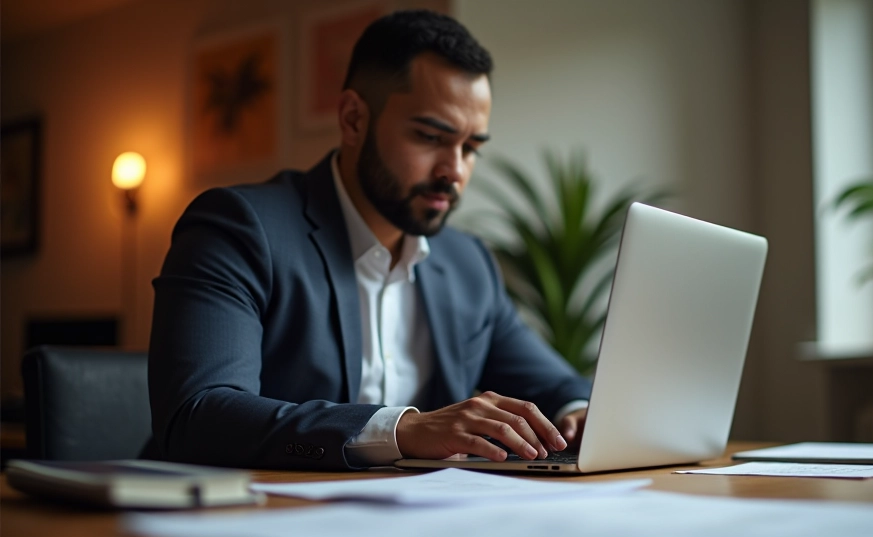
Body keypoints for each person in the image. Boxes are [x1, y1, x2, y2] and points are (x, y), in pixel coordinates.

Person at [145, 10, 591, 470]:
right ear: (354, 119)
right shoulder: (238, 228)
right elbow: (195, 416)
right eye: (429, 136)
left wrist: (578, 412)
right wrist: (403, 430)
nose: (454, 171)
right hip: (230, 518)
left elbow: (558, 385)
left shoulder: (467, 263)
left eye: (470, 147)